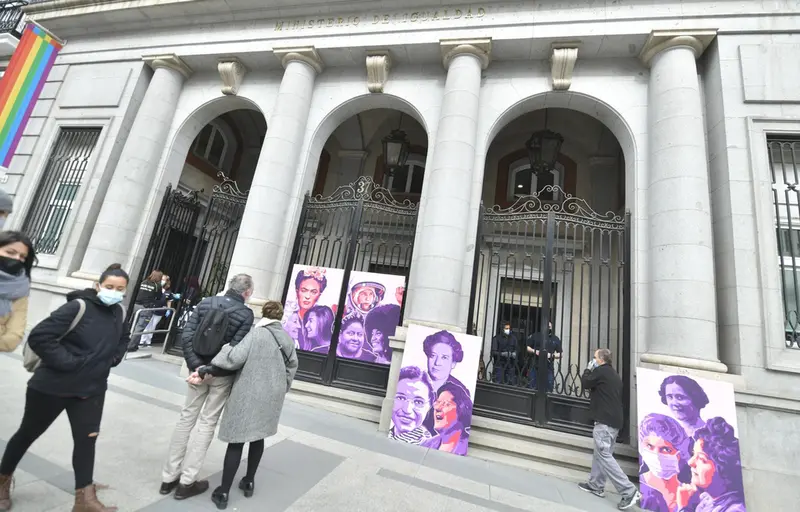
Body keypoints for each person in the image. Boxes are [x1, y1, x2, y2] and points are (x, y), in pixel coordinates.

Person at [0, 266, 131, 512]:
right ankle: (2, 479)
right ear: (98, 285)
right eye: (110, 287)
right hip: (52, 387)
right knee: (27, 434)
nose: (114, 292)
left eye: (120, 289)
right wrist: (71, 363)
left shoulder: (120, 312)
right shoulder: (78, 307)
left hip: (91, 390)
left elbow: (124, 337)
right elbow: (40, 336)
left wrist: (115, 357)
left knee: (86, 440)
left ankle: (85, 499)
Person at [190, 300, 298, 510]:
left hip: (248, 391)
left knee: (237, 441)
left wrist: (221, 354)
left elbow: (235, 358)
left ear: (264, 314)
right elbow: (292, 366)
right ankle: (249, 481)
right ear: (280, 316)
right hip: (272, 395)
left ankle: (223, 492)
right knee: (258, 436)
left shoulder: (256, 334)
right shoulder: (286, 338)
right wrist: (282, 386)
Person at [160, 274, 255, 501]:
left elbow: (187, 335)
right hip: (220, 375)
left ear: (229, 286)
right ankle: (187, 481)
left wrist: (196, 367)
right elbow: (234, 349)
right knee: (207, 423)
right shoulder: (245, 314)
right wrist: (210, 370)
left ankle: (168, 477)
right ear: (247, 292)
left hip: (196, 370)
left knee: (186, 418)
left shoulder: (206, 302)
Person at [578, 348, 641, 510]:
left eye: (594, 358)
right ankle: (596, 485)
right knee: (602, 453)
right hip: (614, 421)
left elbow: (585, 383)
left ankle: (628, 490)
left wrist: (587, 369)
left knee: (604, 454)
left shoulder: (600, 372)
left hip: (604, 421)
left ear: (600, 360)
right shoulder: (613, 374)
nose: (593, 360)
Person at [676, 417, 746, 512]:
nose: (691, 462)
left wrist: (684, 508)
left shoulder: (736, 509)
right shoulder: (706, 498)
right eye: (693, 454)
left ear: (723, 469)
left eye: (701, 458)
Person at [639, 413, 693, 512]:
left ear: (680, 454)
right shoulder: (641, 490)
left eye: (666, 449)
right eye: (649, 446)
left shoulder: (689, 494)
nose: (656, 455)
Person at [0, 231, 35, 353]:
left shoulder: (20, 288)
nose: (16, 259)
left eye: (22, 256)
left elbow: (14, 337)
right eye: (10, 252)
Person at [420, 382, 473, 456]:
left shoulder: (465, 449)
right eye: (438, 402)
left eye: (446, 404)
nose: (437, 408)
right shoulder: (426, 444)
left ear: (461, 410)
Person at [282, 268, 327, 349]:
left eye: (313, 292)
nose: (307, 296)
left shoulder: (322, 320)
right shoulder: (288, 316)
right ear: (297, 291)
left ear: (319, 295)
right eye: (304, 290)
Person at [389, 366, 435, 445]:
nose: (407, 410)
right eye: (400, 398)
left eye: (418, 402)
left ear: (429, 406)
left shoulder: (430, 445)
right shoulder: (389, 434)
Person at [130, 270, 164, 350]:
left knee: (134, 325)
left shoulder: (144, 282)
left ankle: (134, 345)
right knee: (140, 327)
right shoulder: (157, 285)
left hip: (137, 305)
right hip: (147, 307)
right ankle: (131, 345)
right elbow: (159, 297)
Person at [526, 321, 562, 392]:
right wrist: (534, 351)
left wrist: (551, 355)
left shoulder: (555, 339)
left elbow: (561, 354)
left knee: (548, 389)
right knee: (532, 388)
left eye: (549, 327)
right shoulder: (535, 336)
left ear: (551, 327)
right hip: (535, 365)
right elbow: (527, 347)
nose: (548, 328)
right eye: (546, 327)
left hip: (548, 367)